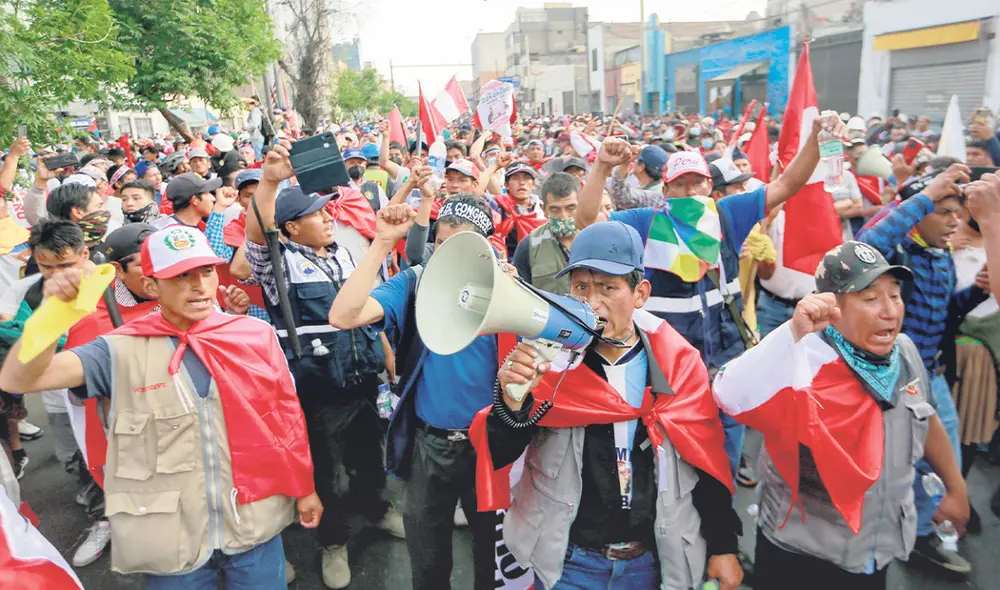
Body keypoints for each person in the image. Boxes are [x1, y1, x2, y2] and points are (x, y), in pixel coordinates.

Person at [0, 225, 321, 589]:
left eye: (206, 271)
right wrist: (54, 316)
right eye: (181, 276)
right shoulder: (116, 350)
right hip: (169, 537)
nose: (199, 285)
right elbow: (17, 381)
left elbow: (286, 420)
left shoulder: (253, 335)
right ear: (152, 286)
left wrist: (304, 488)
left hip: (253, 522)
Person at [574, 115, 845, 481]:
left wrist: (815, 137)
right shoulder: (645, 221)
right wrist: (602, 167)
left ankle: (721, 515)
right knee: (669, 465)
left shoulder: (728, 214)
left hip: (725, 363)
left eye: (697, 183)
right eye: (680, 184)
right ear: (665, 190)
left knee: (723, 462)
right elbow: (588, 220)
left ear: (710, 187)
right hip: (667, 370)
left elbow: (787, 184)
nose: (690, 193)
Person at [475, 221, 742, 590]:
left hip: (653, 562)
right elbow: (501, 455)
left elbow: (705, 459)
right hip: (569, 563)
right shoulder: (548, 363)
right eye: (581, 287)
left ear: (640, 293)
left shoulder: (678, 365)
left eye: (608, 287)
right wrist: (512, 400)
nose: (592, 302)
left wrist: (724, 546)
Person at [714, 242, 969, 590]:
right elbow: (728, 393)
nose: (890, 311)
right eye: (871, 298)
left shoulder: (904, 353)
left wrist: (955, 488)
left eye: (895, 296)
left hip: (877, 551)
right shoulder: (802, 358)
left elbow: (926, 419)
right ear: (833, 305)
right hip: (801, 555)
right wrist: (791, 333)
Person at [244, 141, 402, 590]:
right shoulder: (279, 263)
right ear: (291, 228)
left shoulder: (346, 254)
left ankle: (378, 510)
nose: (329, 216)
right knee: (326, 472)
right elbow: (257, 235)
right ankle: (332, 543)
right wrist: (272, 180)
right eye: (317, 213)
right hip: (319, 392)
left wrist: (386, 351)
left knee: (371, 456)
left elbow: (368, 311)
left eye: (328, 210)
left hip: (363, 381)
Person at [328, 198, 503, 590]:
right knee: (427, 561)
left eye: (463, 247)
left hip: (492, 450)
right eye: (441, 244)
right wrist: (381, 243)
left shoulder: (508, 290)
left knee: (494, 560)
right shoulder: (415, 283)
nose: (448, 257)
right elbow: (343, 315)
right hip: (430, 447)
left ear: (489, 250)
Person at [858, 164, 990, 574]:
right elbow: (867, 242)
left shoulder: (942, 255)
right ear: (918, 216)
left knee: (940, 459)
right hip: (891, 382)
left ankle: (924, 536)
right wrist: (923, 196)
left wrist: (973, 294)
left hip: (931, 377)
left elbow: (946, 314)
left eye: (958, 212)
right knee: (888, 465)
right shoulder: (897, 256)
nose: (955, 221)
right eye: (943, 211)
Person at [511, 172, 581, 294]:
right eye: (555, 209)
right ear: (544, 209)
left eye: (570, 208)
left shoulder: (597, 238)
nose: (564, 216)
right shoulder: (529, 246)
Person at [492, 162, 545, 258]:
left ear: (533, 184)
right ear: (506, 185)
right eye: (515, 178)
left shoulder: (543, 209)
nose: (521, 183)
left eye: (526, 178)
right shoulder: (499, 208)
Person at [607, 145, 667, 210]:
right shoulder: (658, 188)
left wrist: (625, 161)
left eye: (635, 159)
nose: (633, 162)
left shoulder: (656, 195)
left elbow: (621, 197)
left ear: (641, 166)